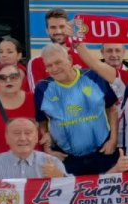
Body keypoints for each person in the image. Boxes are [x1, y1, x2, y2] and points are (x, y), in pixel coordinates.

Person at [34, 43, 120, 176]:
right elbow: (42, 122)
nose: (54, 68)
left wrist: (113, 140)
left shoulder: (93, 76)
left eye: (58, 62)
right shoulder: (42, 88)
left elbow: (112, 109)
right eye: (49, 65)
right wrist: (48, 150)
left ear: (69, 60)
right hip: (67, 158)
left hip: (103, 152)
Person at [26, 8, 88, 90]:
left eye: (62, 27)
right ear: (47, 30)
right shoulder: (36, 62)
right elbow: (39, 94)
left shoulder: (83, 57)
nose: (58, 31)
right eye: (53, 27)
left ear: (69, 28)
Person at [0, 64, 37, 154]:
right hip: (2, 158)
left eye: (13, 77)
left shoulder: (34, 99)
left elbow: (45, 127)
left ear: (21, 79)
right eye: (2, 78)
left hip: (33, 157)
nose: (8, 81)